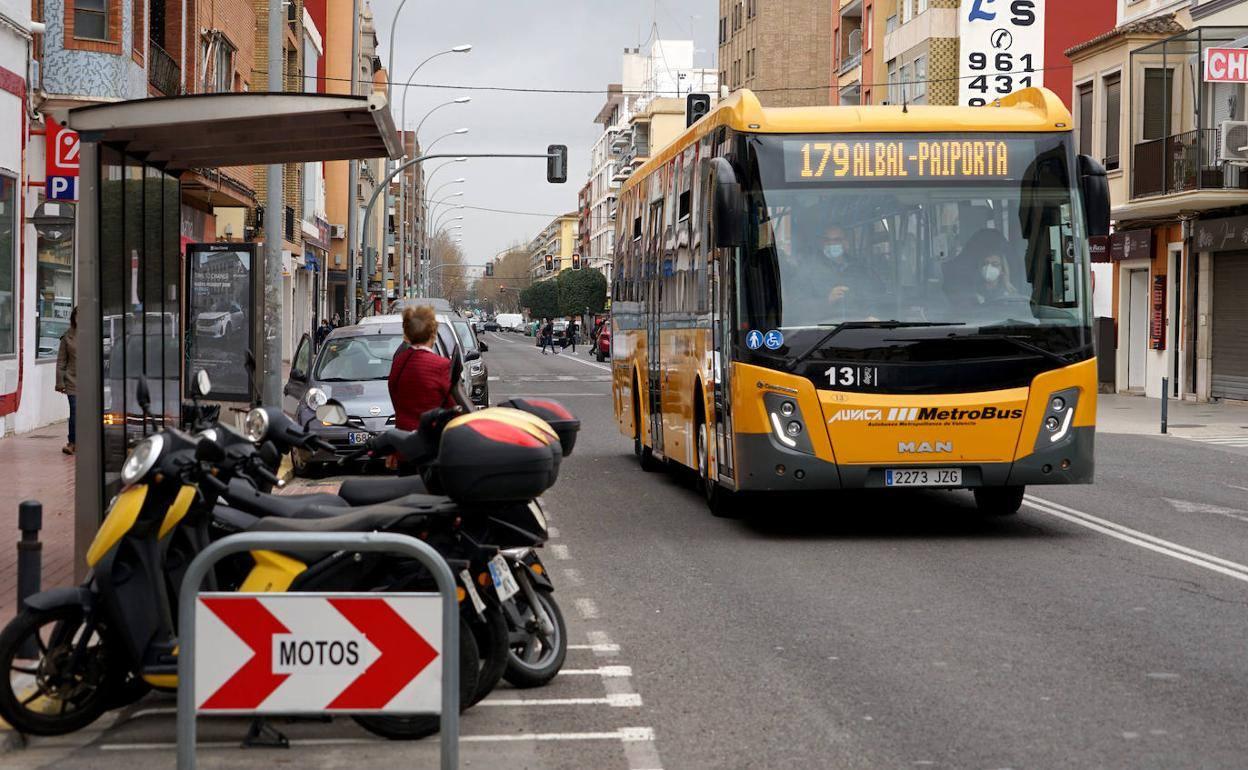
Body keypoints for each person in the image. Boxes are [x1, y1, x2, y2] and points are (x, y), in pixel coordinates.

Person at [388, 305, 457, 431]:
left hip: (403, 440)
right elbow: (454, 407)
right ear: (433, 333)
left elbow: (394, 397)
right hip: (432, 441)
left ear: (407, 333)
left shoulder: (398, 362)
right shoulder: (441, 366)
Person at [55, 307, 78, 455]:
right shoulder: (67, 337)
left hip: (90, 381)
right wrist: (60, 383)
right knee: (75, 411)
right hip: (72, 381)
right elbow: (61, 361)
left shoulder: (93, 335)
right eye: (78, 316)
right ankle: (72, 443)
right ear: (73, 318)